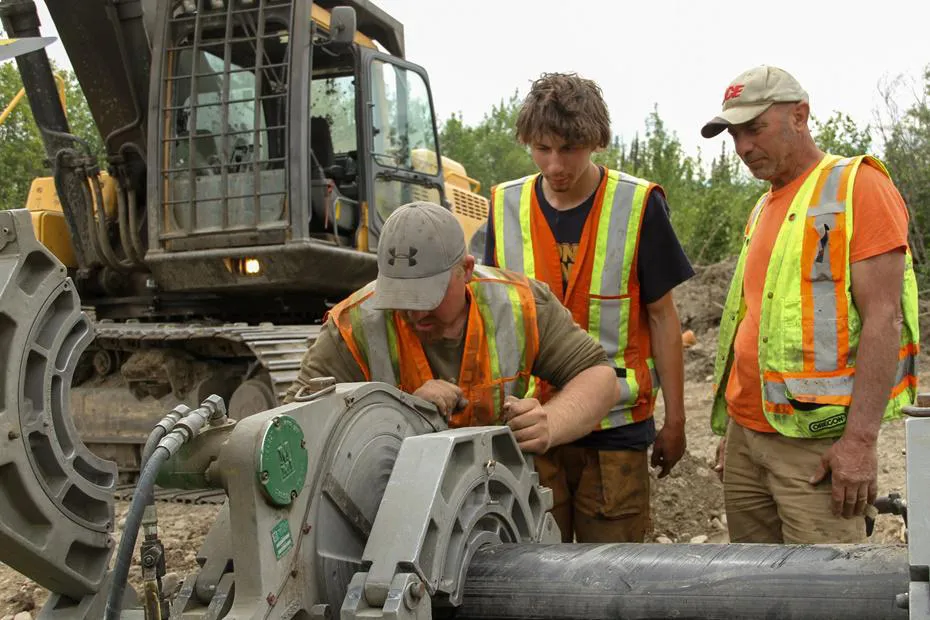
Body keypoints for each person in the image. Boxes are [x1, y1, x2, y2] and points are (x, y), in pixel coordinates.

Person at [702, 65, 920, 543]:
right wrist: (734, 431)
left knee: (826, 594)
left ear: (800, 115)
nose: (742, 147)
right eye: (734, 135)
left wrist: (860, 443)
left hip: (816, 448)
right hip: (747, 437)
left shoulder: (857, 186)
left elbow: (884, 320)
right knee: (754, 591)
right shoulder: (763, 206)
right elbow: (757, 321)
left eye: (754, 129)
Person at [484, 72, 694, 543]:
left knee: (613, 577)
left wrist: (676, 421)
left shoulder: (638, 205)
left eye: (569, 149)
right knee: (534, 568)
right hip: (533, 425)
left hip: (616, 429)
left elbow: (662, 317)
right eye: (542, 149)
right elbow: (492, 317)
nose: (555, 164)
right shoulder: (504, 206)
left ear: (596, 141)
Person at [285, 201, 621, 459]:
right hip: (391, 502)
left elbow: (600, 378)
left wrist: (551, 422)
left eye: (429, 296)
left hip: (498, 497)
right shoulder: (352, 326)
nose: (416, 314)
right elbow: (295, 427)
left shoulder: (521, 305)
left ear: (466, 270)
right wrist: (397, 412)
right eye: (403, 296)